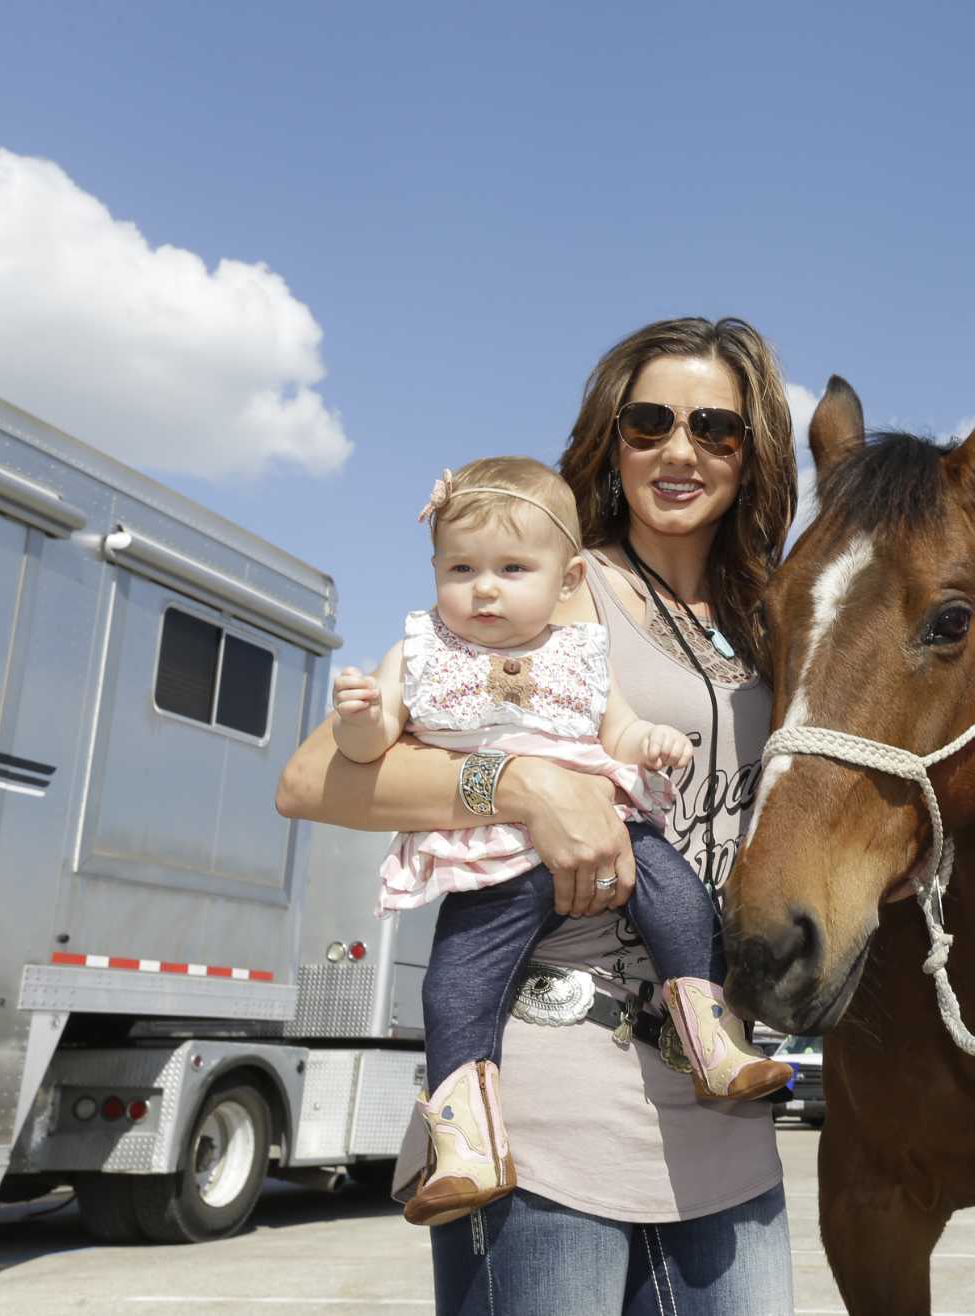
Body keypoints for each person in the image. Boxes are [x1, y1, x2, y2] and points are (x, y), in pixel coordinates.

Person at [278, 317, 800, 1315]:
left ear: (753, 451)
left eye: (713, 428)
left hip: (718, 1104)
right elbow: (311, 781)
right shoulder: (550, 582)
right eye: (648, 422)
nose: (679, 450)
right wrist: (520, 785)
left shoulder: (773, 620)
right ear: (611, 437)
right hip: (554, 1091)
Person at [328, 455, 791, 1227]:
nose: (484, 589)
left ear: (566, 578)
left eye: (511, 569)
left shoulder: (580, 651)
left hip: (613, 827)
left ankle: (714, 1041)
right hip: (490, 860)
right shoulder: (419, 653)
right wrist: (359, 717)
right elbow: (365, 748)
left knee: (682, 901)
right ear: (435, 570)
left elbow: (620, 730)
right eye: (461, 568)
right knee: (455, 986)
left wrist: (651, 743)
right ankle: (469, 1147)